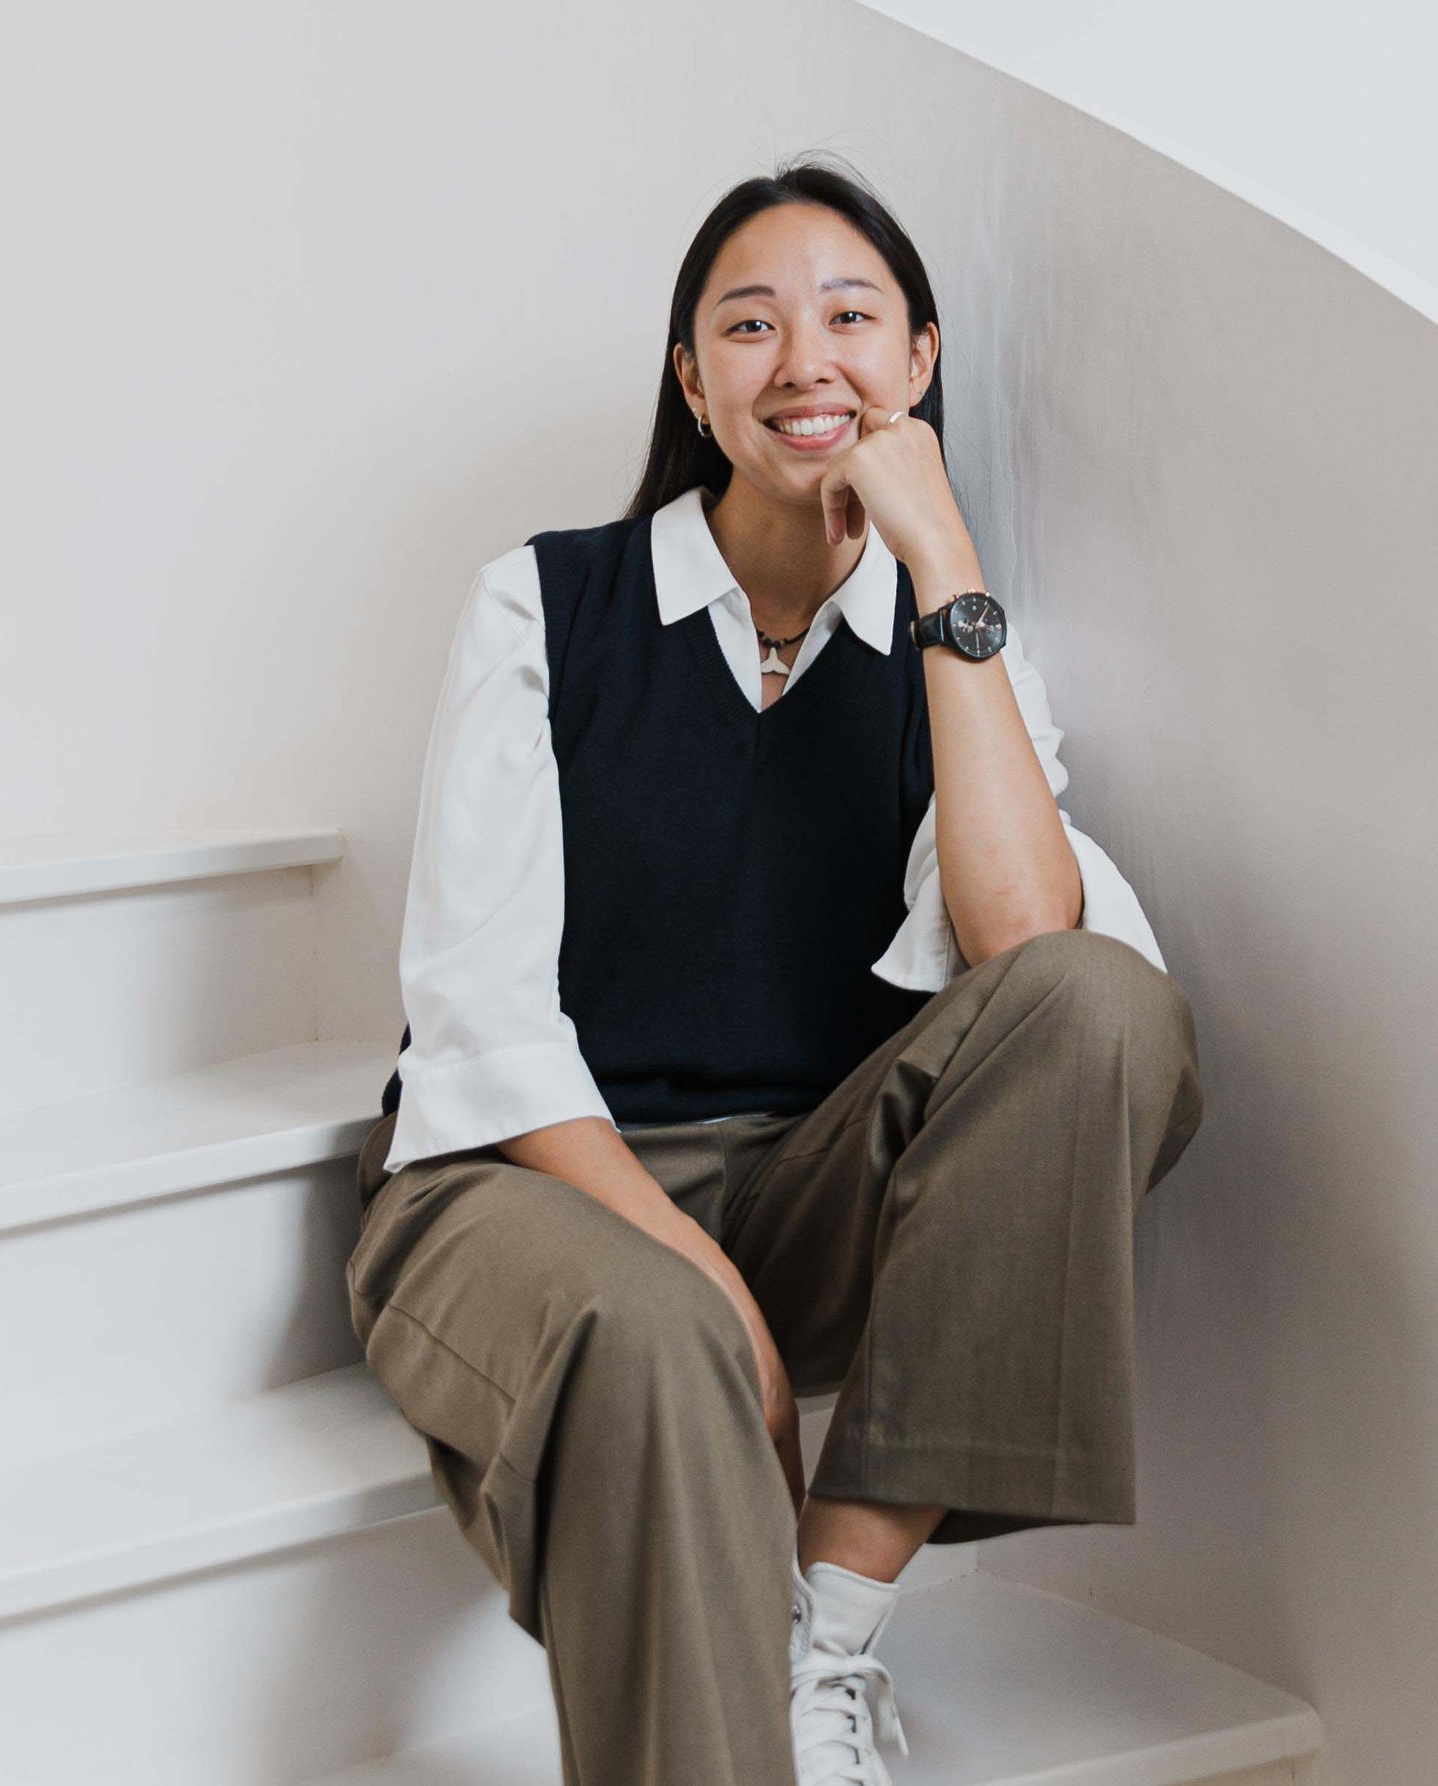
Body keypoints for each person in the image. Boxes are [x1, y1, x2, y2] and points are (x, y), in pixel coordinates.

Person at [347, 156, 1205, 1786]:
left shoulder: (951, 642)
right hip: (526, 1180)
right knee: (660, 1332)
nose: (805, 359)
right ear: (690, 377)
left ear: (920, 363)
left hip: (811, 1182)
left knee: (1107, 999)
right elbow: (480, 1015)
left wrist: (946, 567)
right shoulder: (546, 604)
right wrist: (710, 1282)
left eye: (851, 317)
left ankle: (833, 1628)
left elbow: (1033, 954)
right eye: (748, 324)